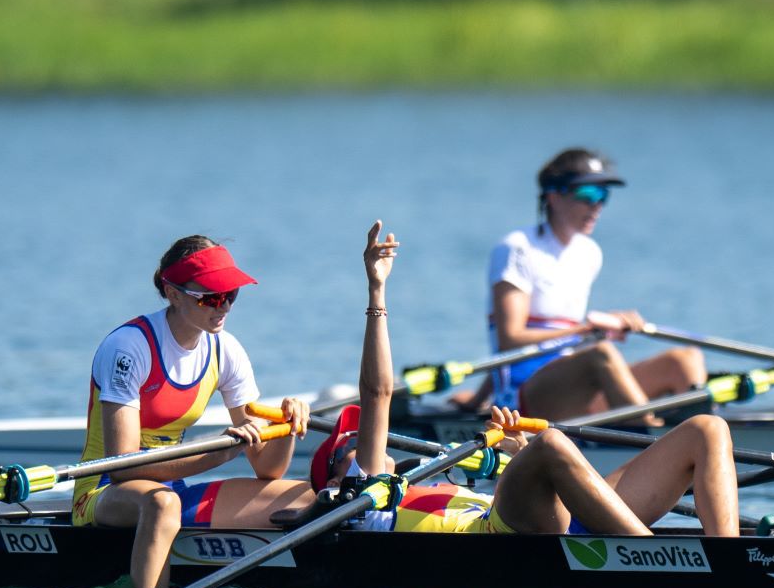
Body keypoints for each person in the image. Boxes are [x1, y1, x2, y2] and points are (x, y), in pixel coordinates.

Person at [313, 221, 738, 538]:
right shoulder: (362, 498)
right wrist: (376, 293)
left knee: (707, 428)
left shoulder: (424, 479)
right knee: (552, 442)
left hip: (561, 520)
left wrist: (518, 456)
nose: (366, 442)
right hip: (503, 534)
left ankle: (729, 558)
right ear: (334, 482)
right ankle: (654, 556)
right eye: (347, 446)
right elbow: (377, 393)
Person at [72, 236, 313, 588]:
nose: (224, 306)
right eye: (211, 297)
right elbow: (123, 466)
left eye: (231, 295)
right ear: (173, 293)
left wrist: (288, 426)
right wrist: (218, 455)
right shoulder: (129, 347)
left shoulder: (225, 349)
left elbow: (267, 469)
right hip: (105, 490)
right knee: (162, 502)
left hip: (172, 485)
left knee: (301, 495)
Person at [484, 147, 707, 425]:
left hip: (573, 386)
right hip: (522, 399)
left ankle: (705, 435)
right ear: (553, 196)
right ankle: (659, 444)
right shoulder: (517, 249)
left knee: (685, 359)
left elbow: (564, 342)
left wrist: (598, 330)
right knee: (600, 354)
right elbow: (509, 339)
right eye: (588, 195)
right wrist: (588, 330)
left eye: (604, 196)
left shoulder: (589, 254)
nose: (597, 206)